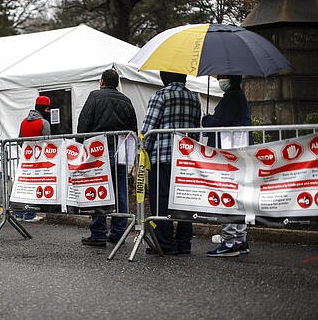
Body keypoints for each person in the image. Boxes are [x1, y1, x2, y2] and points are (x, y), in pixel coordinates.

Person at [142, 71, 201, 255]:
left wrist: (143, 149)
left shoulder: (161, 95)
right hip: (186, 157)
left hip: (163, 156)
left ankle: (165, 243)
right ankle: (184, 242)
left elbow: (149, 127)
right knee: (184, 201)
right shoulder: (194, 98)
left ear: (163, 78)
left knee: (161, 200)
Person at [77, 69, 138, 247]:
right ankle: (119, 232)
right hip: (120, 152)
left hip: (98, 152)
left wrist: (81, 144)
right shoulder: (126, 100)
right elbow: (132, 128)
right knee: (120, 192)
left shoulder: (94, 96)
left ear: (102, 81)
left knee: (98, 190)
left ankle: (98, 233)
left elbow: (84, 123)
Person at [203, 75, 252, 257]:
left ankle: (229, 241)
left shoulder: (232, 96)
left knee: (228, 193)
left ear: (230, 78)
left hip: (230, 151)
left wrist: (206, 119)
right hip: (238, 150)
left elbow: (220, 121)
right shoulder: (239, 95)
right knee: (238, 195)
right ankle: (240, 239)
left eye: (221, 76)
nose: (218, 79)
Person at [15, 95, 52, 222]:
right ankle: (30, 215)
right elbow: (48, 142)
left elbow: (19, 140)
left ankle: (19, 214)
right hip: (39, 159)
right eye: (47, 109)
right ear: (43, 109)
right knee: (34, 185)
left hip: (25, 159)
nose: (49, 112)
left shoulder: (23, 122)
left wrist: (27, 152)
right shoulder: (44, 123)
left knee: (23, 185)